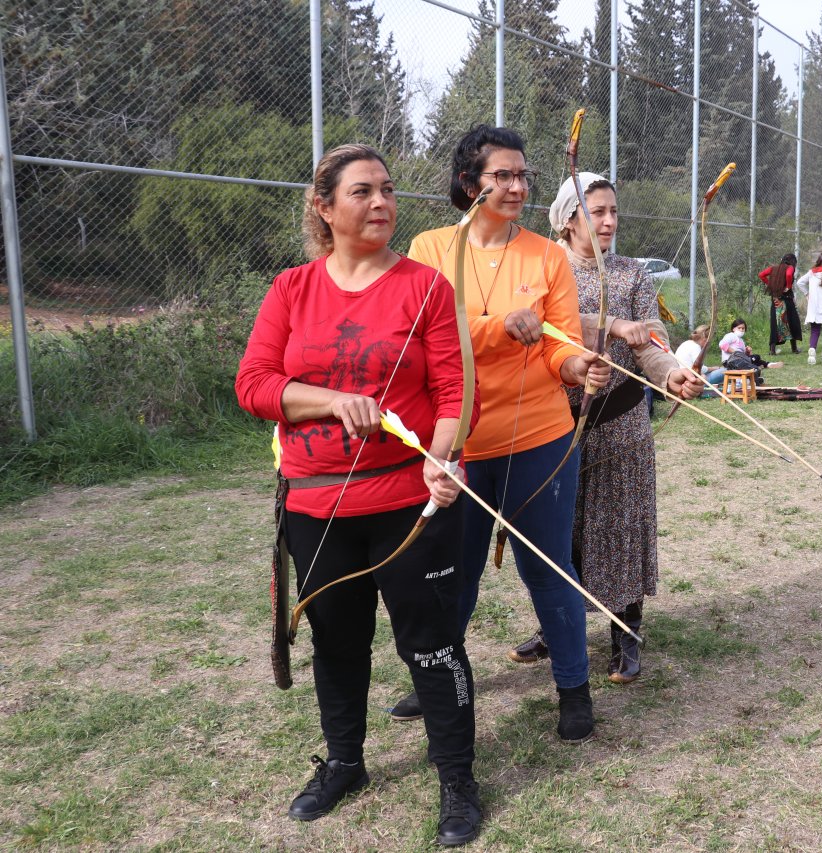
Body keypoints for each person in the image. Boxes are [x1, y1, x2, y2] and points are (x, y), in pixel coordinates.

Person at [235, 144, 483, 845]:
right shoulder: (291, 289)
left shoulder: (426, 287)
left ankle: (457, 778)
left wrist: (442, 461)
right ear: (324, 207)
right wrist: (330, 399)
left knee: (431, 644)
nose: (381, 203)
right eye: (362, 192)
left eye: (388, 190)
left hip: (410, 502)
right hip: (317, 507)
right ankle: (345, 761)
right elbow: (254, 385)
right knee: (337, 642)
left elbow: (451, 389)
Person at [398, 125, 610, 744]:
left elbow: (561, 346)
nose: (518, 187)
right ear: (471, 183)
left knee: (549, 570)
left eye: (524, 177)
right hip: (454, 442)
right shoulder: (431, 249)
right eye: (503, 177)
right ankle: (438, 677)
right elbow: (424, 330)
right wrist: (499, 326)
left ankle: (574, 689)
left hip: (540, 438)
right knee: (453, 574)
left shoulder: (546, 256)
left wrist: (578, 367)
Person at [501, 173, 703, 683]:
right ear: (570, 219)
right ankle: (557, 625)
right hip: (556, 420)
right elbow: (545, 325)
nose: (610, 221)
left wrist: (671, 373)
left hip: (621, 420)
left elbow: (651, 346)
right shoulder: (546, 267)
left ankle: (625, 631)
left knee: (622, 524)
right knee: (556, 529)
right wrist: (608, 324)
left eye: (614, 211)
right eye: (598, 212)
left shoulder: (632, 273)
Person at [757, 253, 803, 355]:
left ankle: (772, 350)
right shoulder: (790, 267)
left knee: (775, 324)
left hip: (776, 300)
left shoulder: (774, 268)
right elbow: (789, 274)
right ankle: (794, 349)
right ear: (792, 261)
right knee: (792, 321)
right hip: (787, 299)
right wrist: (789, 286)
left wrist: (770, 284)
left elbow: (761, 275)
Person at [675, 324, 725, 390]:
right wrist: (714, 368)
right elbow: (700, 369)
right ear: (705, 339)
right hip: (691, 379)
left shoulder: (687, 343)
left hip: (682, 377)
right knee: (725, 370)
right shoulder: (696, 347)